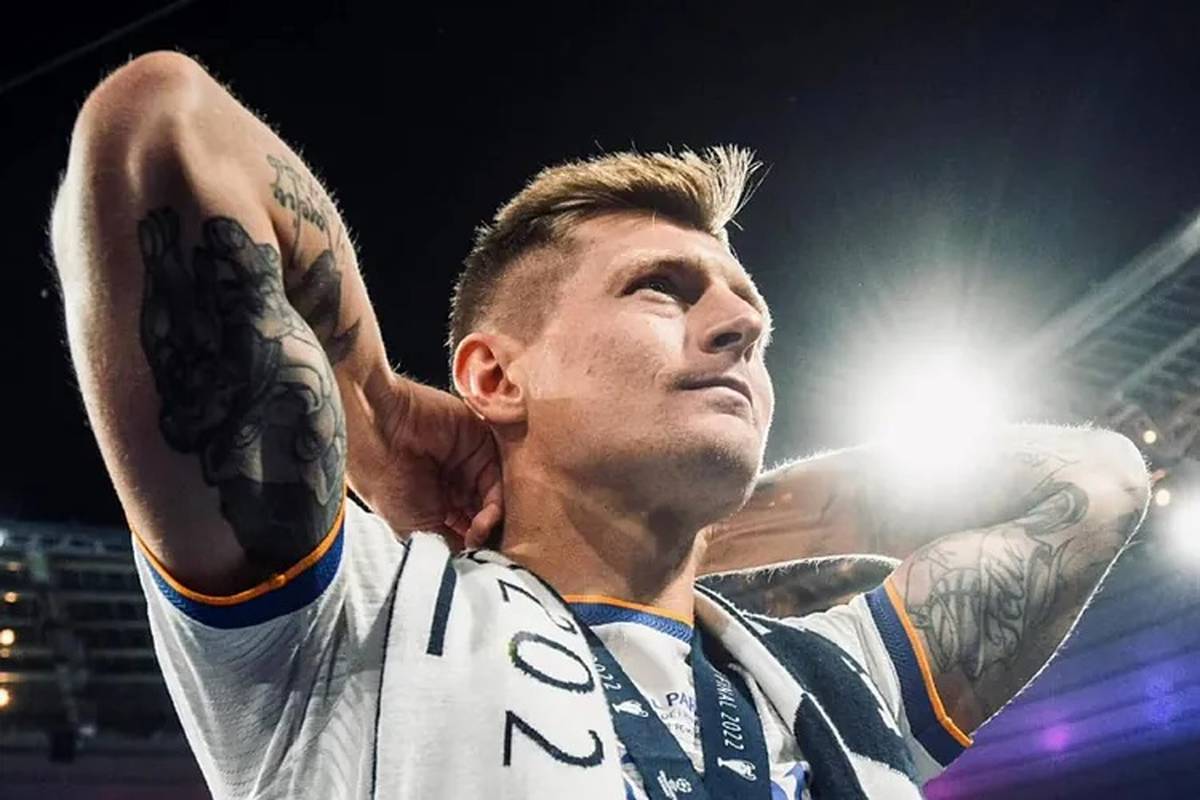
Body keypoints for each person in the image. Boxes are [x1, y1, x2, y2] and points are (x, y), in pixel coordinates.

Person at [50, 51, 1150, 800]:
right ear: (494, 373)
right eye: (663, 289)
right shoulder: (360, 620)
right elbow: (161, 128)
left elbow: (1096, 484)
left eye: (753, 318)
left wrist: (710, 531)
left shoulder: (827, 671)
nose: (741, 329)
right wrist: (376, 412)